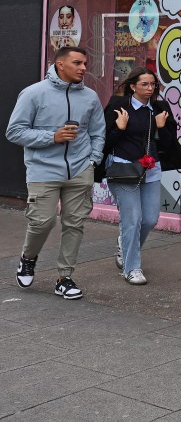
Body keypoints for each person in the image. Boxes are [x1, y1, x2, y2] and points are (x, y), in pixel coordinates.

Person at [6, 46, 105, 300]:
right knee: (43, 221)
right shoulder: (34, 94)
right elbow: (14, 131)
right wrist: (53, 136)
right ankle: (28, 259)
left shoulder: (90, 97)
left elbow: (97, 131)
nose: (84, 67)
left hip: (80, 169)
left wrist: (93, 160)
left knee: (75, 224)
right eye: (78, 63)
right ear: (60, 65)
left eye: (85, 63)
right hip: (43, 170)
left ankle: (65, 277)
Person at [96, 67, 181, 285]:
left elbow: (169, 143)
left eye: (153, 85)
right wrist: (119, 129)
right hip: (123, 170)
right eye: (144, 84)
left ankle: (124, 244)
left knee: (149, 219)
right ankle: (132, 268)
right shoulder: (119, 106)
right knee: (132, 220)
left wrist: (161, 127)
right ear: (132, 86)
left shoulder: (159, 108)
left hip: (151, 169)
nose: (150, 89)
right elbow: (104, 141)